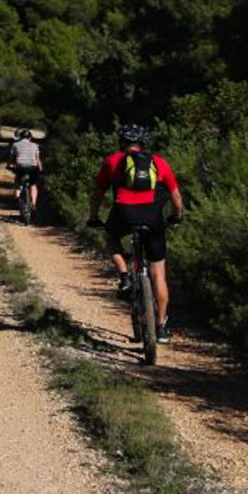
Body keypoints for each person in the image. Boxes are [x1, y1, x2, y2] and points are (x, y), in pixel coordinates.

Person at [87, 123, 186, 341]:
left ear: (121, 142)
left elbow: (98, 194)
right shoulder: (159, 163)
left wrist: (93, 218)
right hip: (153, 219)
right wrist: (177, 216)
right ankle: (161, 327)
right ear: (143, 143)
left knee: (111, 236)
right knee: (158, 274)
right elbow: (176, 197)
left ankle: (124, 275)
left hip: (123, 215)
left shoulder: (112, 162)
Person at [6, 128, 42, 219]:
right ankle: (33, 203)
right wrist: (41, 169)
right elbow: (38, 160)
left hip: (20, 167)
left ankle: (17, 198)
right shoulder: (35, 145)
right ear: (30, 137)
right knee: (33, 185)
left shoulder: (15, 144)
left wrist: (8, 165)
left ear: (20, 137)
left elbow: (11, 157)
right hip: (33, 168)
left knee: (18, 180)